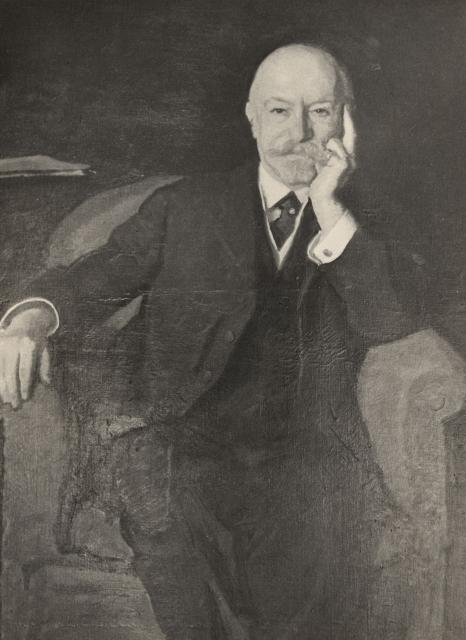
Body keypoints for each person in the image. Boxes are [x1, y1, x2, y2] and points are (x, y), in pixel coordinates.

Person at [0, 44, 425, 638]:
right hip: (179, 439)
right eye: (280, 111)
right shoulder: (185, 207)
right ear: (250, 117)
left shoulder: (363, 222)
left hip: (300, 453)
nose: (301, 132)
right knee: (169, 530)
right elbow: (94, 279)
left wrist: (328, 207)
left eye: (321, 112)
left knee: (309, 567)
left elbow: (388, 320)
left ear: (346, 120)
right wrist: (30, 320)